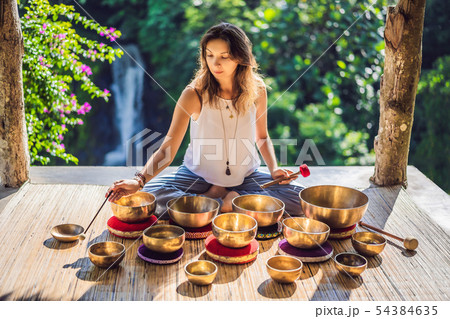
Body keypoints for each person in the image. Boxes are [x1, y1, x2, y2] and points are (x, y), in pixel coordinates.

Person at [107, 22, 304, 218]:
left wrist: (274, 169)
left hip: (246, 177)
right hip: (196, 177)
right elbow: (168, 150)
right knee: (147, 196)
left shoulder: (257, 89)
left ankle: (216, 202)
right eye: (210, 55)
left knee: (300, 198)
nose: (215, 63)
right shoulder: (193, 94)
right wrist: (139, 180)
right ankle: (230, 202)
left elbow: (262, 137)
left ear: (240, 57)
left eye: (224, 57)